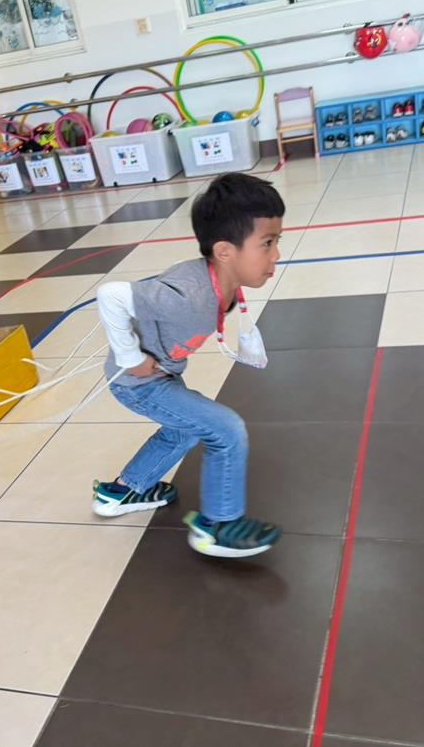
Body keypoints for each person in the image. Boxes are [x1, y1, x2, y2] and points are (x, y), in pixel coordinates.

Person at [93, 172, 284, 558]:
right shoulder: (188, 296)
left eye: (276, 241)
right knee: (225, 430)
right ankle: (218, 526)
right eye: (267, 243)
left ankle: (124, 491)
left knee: (183, 430)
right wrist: (132, 359)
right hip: (138, 383)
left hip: (161, 376)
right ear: (225, 251)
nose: (276, 255)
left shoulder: (221, 282)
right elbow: (110, 295)